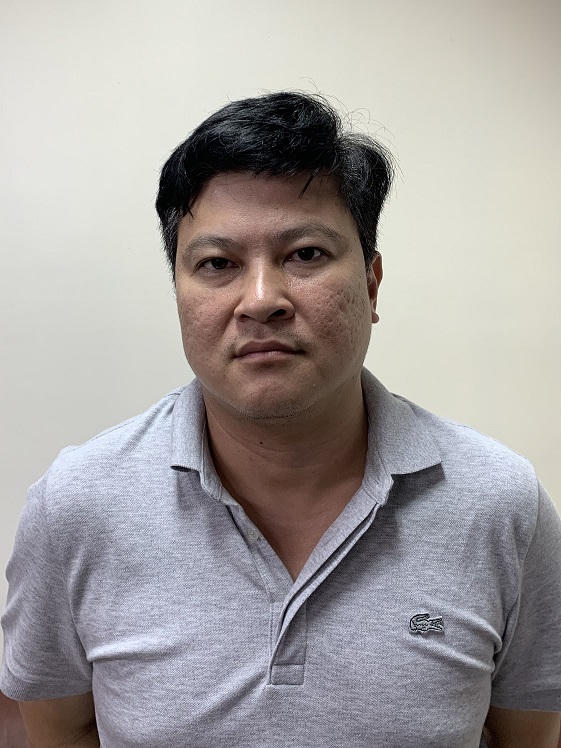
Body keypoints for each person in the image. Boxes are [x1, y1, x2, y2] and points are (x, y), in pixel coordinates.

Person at [1, 91, 560, 748]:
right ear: (178, 292)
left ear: (371, 283)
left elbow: (528, 734)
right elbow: (58, 731)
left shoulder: (499, 504)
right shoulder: (76, 504)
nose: (261, 300)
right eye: (218, 264)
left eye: (305, 254)